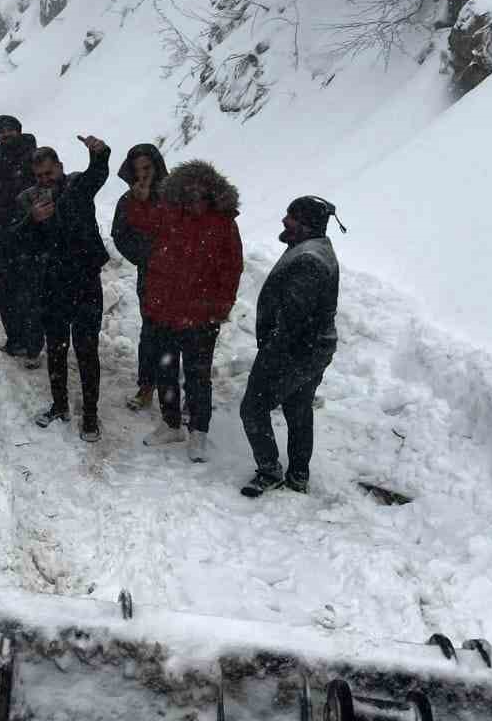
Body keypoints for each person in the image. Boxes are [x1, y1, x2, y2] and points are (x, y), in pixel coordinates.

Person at [127, 161, 243, 464]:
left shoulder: (223, 222)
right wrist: (137, 200)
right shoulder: (168, 212)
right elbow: (141, 223)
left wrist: (221, 306)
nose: (194, 199)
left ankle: (198, 433)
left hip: (202, 316)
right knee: (165, 369)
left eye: (200, 194)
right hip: (164, 310)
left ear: (211, 193)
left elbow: (232, 268)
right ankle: (171, 424)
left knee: (198, 376)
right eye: (188, 193)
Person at [239, 196, 344, 498]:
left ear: (307, 224)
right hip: (313, 349)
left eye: (292, 217)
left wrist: (273, 353)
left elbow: (294, 319)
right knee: (298, 408)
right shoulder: (314, 248)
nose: (285, 220)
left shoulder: (309, 259)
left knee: (253, 408)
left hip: (293, 351)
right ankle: (298, 476)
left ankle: (269, 471)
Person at [12, 136, 112, 443]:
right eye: (40, 176)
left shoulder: (77, 188)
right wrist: (33, 220)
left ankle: (91, 415)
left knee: (86, 349)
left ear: (60, 168)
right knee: (55, 349)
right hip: (51, 285)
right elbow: (17, 241)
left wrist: (100, 154)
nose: (45, 180)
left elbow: (97, 175)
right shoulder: (30, 201)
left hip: (84, 282)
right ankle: (59, 404)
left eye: (49, 173)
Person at [0, 115, 42, 361]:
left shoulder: (35, 157)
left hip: (34, 236)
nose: (5, 134)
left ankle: (33, 346)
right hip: (6, 237)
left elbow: (49, 188)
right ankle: (16, 340)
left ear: (18, 130)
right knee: (5, 293)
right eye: (0, 131)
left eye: (9, 129)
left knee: (32, 292)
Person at [110, 144, 169, 411]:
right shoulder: (128, 200)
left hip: (181, 277)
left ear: (157, 166)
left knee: (180, 335)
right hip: (150, 275)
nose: (143, 175)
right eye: (137, 170)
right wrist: (147, 256)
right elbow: (120, 235)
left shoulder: (175, 196)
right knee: (151, 332)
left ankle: (176, 393)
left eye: (147, 168)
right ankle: (146, 386)